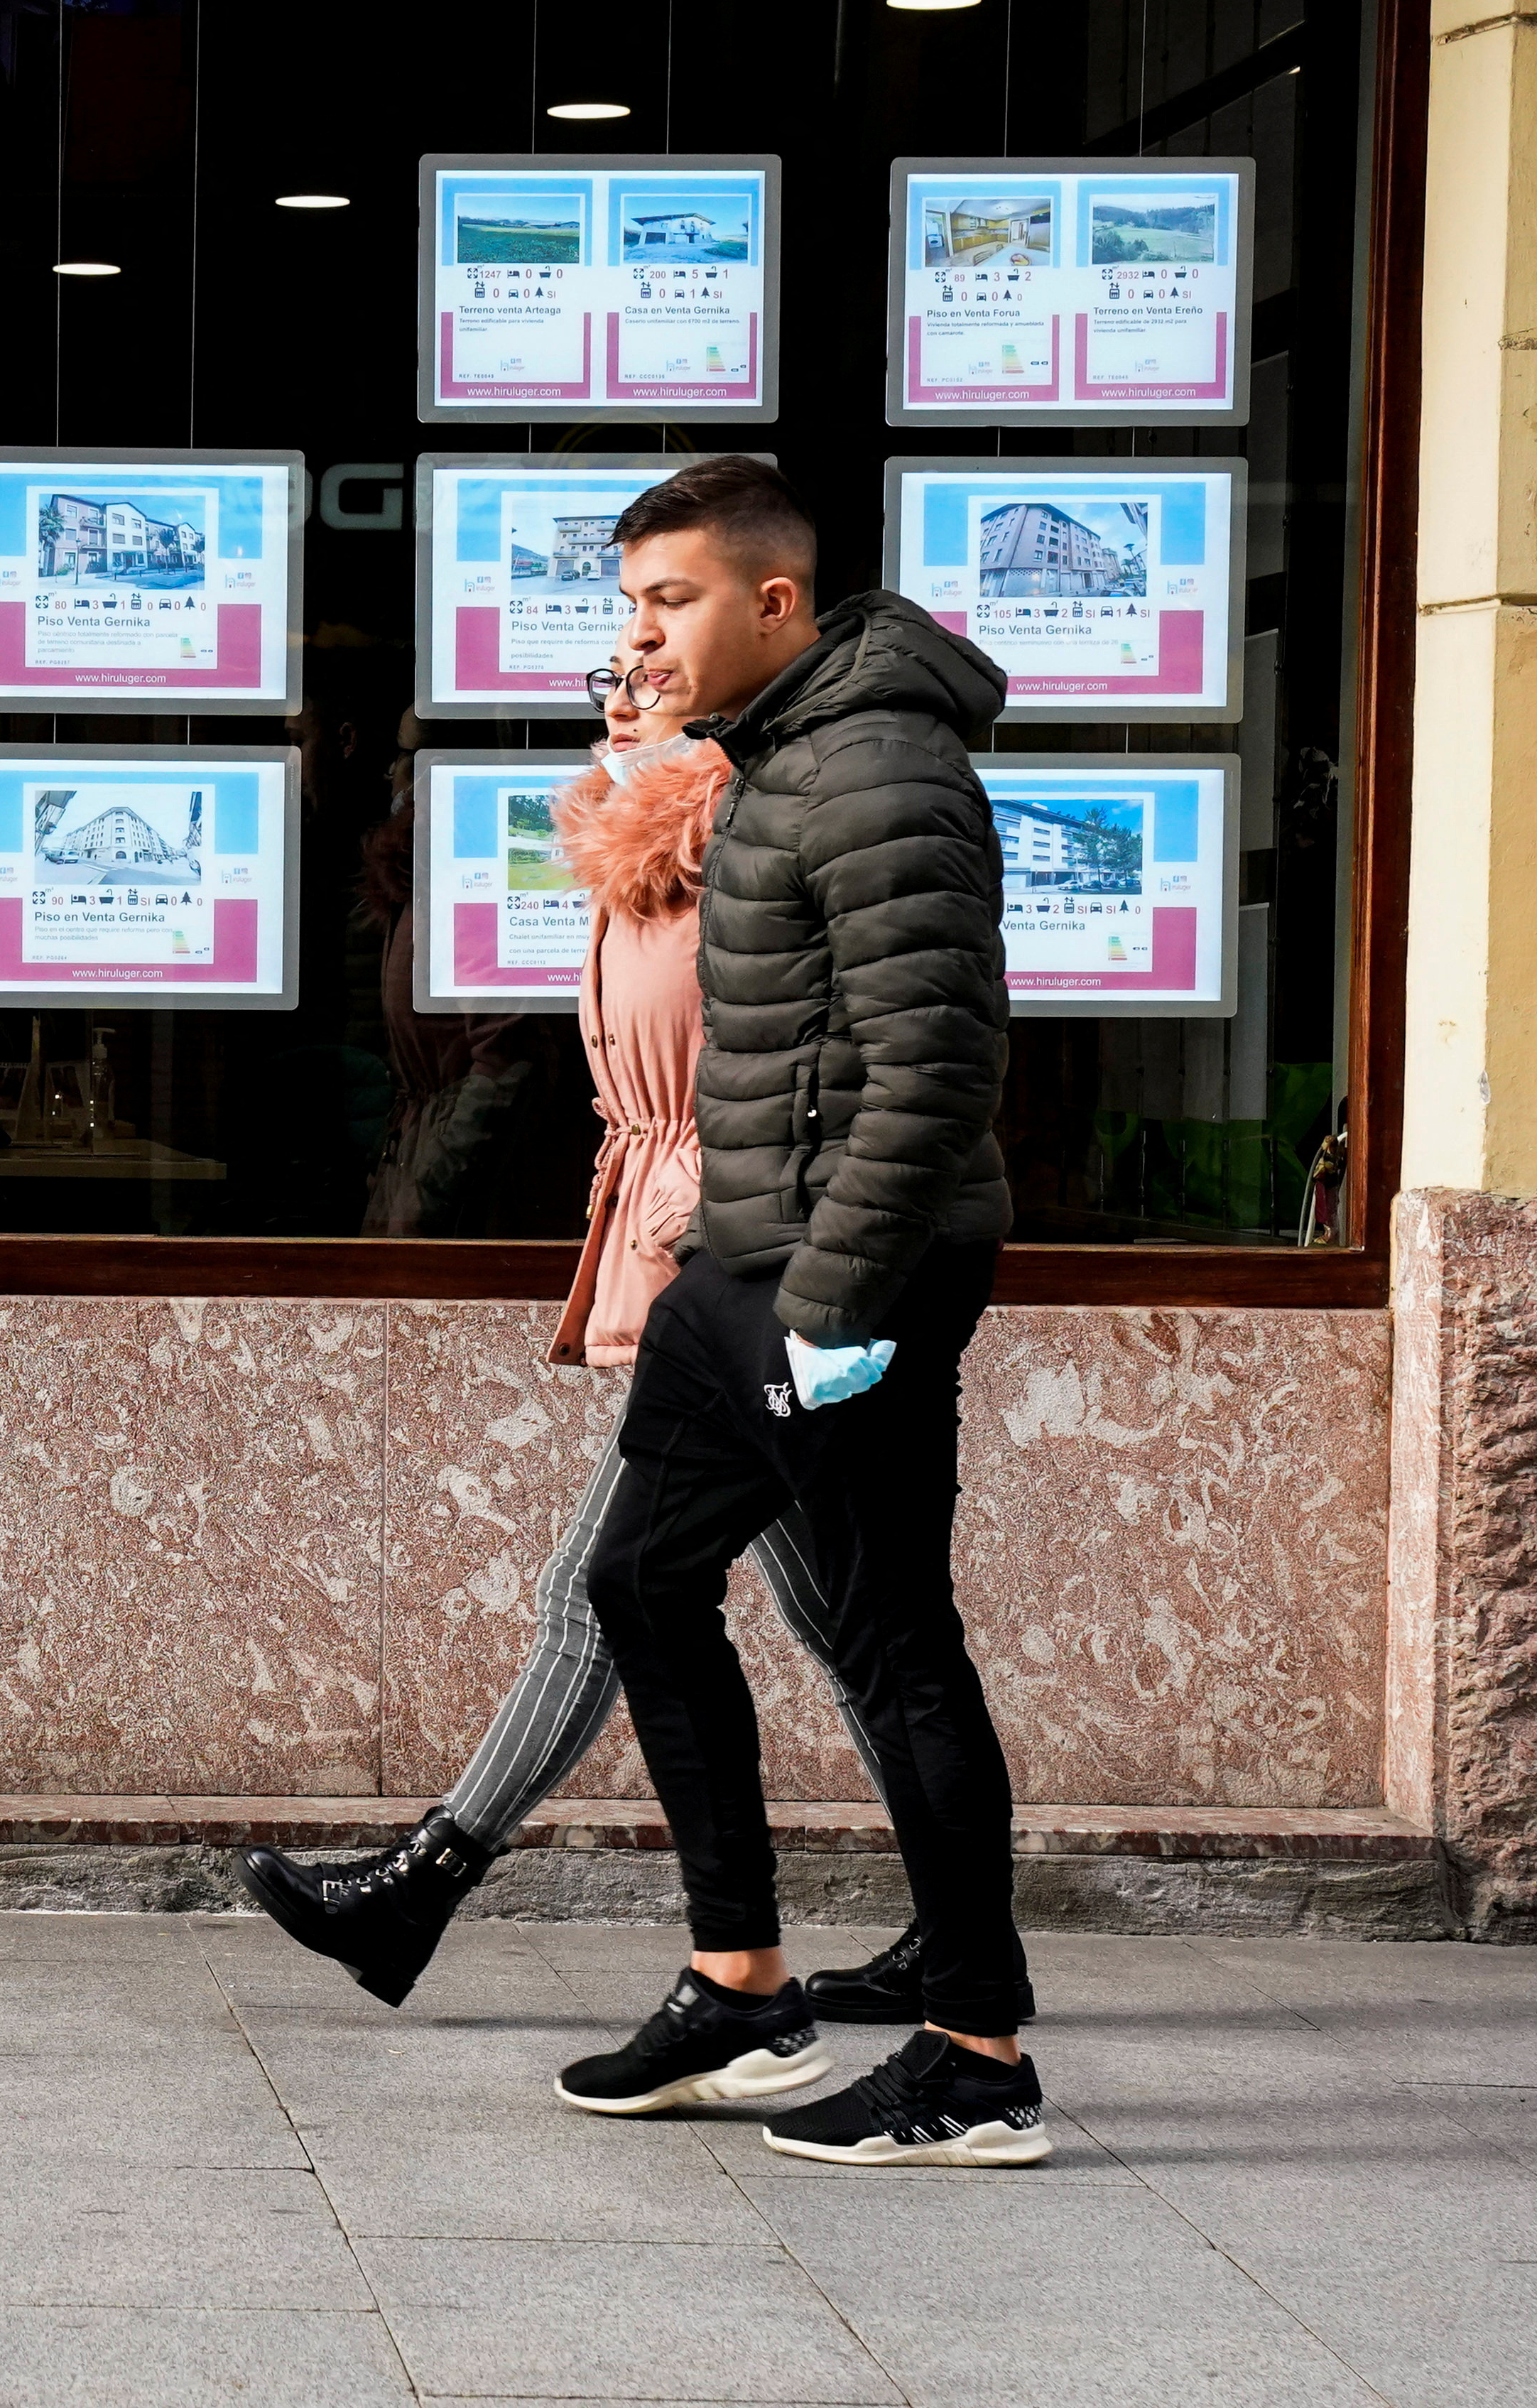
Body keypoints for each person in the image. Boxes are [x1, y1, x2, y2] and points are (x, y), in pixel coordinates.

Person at [238, 621, 1021, 2042]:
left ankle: (435, 1886)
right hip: (690, 1253)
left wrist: (733, 1260)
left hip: (730, 1260)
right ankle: (939, 1936)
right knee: (821, 1610)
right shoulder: (634, 856)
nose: (617, 696)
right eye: (604, 680)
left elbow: (802, 1076)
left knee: (635, 1588)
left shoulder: (735, 840)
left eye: (647, 676)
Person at [540, 455, 1054, 2168]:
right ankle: (740, 1983)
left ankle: (973, 2058)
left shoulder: (882, 769)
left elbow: (931, 1067)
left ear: (775, 601)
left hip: (848, 1275)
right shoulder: (776, 760)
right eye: (630, 603)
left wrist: (834, 1306)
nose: (643, 632)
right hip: (743, 1261)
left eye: (670, 599)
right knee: (634, 1578)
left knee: (898, 1639)